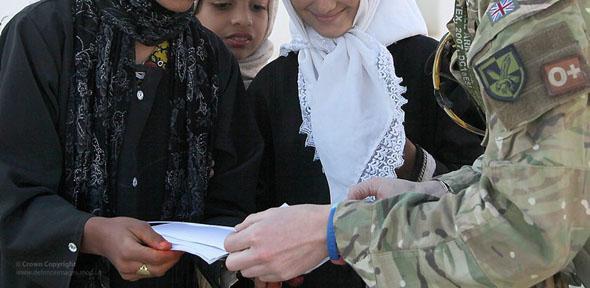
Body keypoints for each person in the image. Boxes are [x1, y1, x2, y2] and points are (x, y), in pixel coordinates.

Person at [224, 0, 590, 287]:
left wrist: (337, 230)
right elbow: (506, 175)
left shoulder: (429, 61)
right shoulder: (277, 83)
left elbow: (526, 223)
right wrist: (432, 190)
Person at [0, 0, 262, 287]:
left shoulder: (212, 58)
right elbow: (11, 189)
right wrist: (91, 233)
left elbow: (232, 200)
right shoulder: (42, 33)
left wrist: (244, 260)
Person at [246, 0, 484, 286]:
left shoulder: (436, 69)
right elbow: (256, 201)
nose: (324, 4)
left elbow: (487, 190)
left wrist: (406, 160)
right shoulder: (273, 85)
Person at [195, 0, 279, 88]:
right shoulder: (181, 87)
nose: (243, 20)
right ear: (192, 9)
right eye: (222, 5)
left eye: (257, 7)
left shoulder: (283, 89)